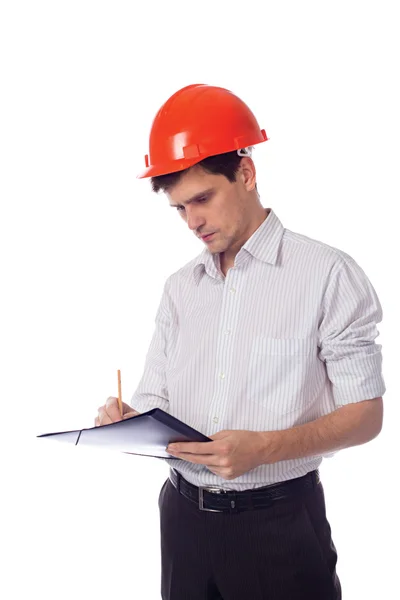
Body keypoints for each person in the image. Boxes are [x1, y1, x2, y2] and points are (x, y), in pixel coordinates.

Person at [95, 84, 386, 600]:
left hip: (278, 528)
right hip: (181, 521)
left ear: (246, 174)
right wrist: (127, 420)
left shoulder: (327, 274)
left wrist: (266, 448)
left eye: (202, 199)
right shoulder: (180, 288)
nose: (193, 222)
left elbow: (367, 415)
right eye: (180, 209)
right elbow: (157, 399)